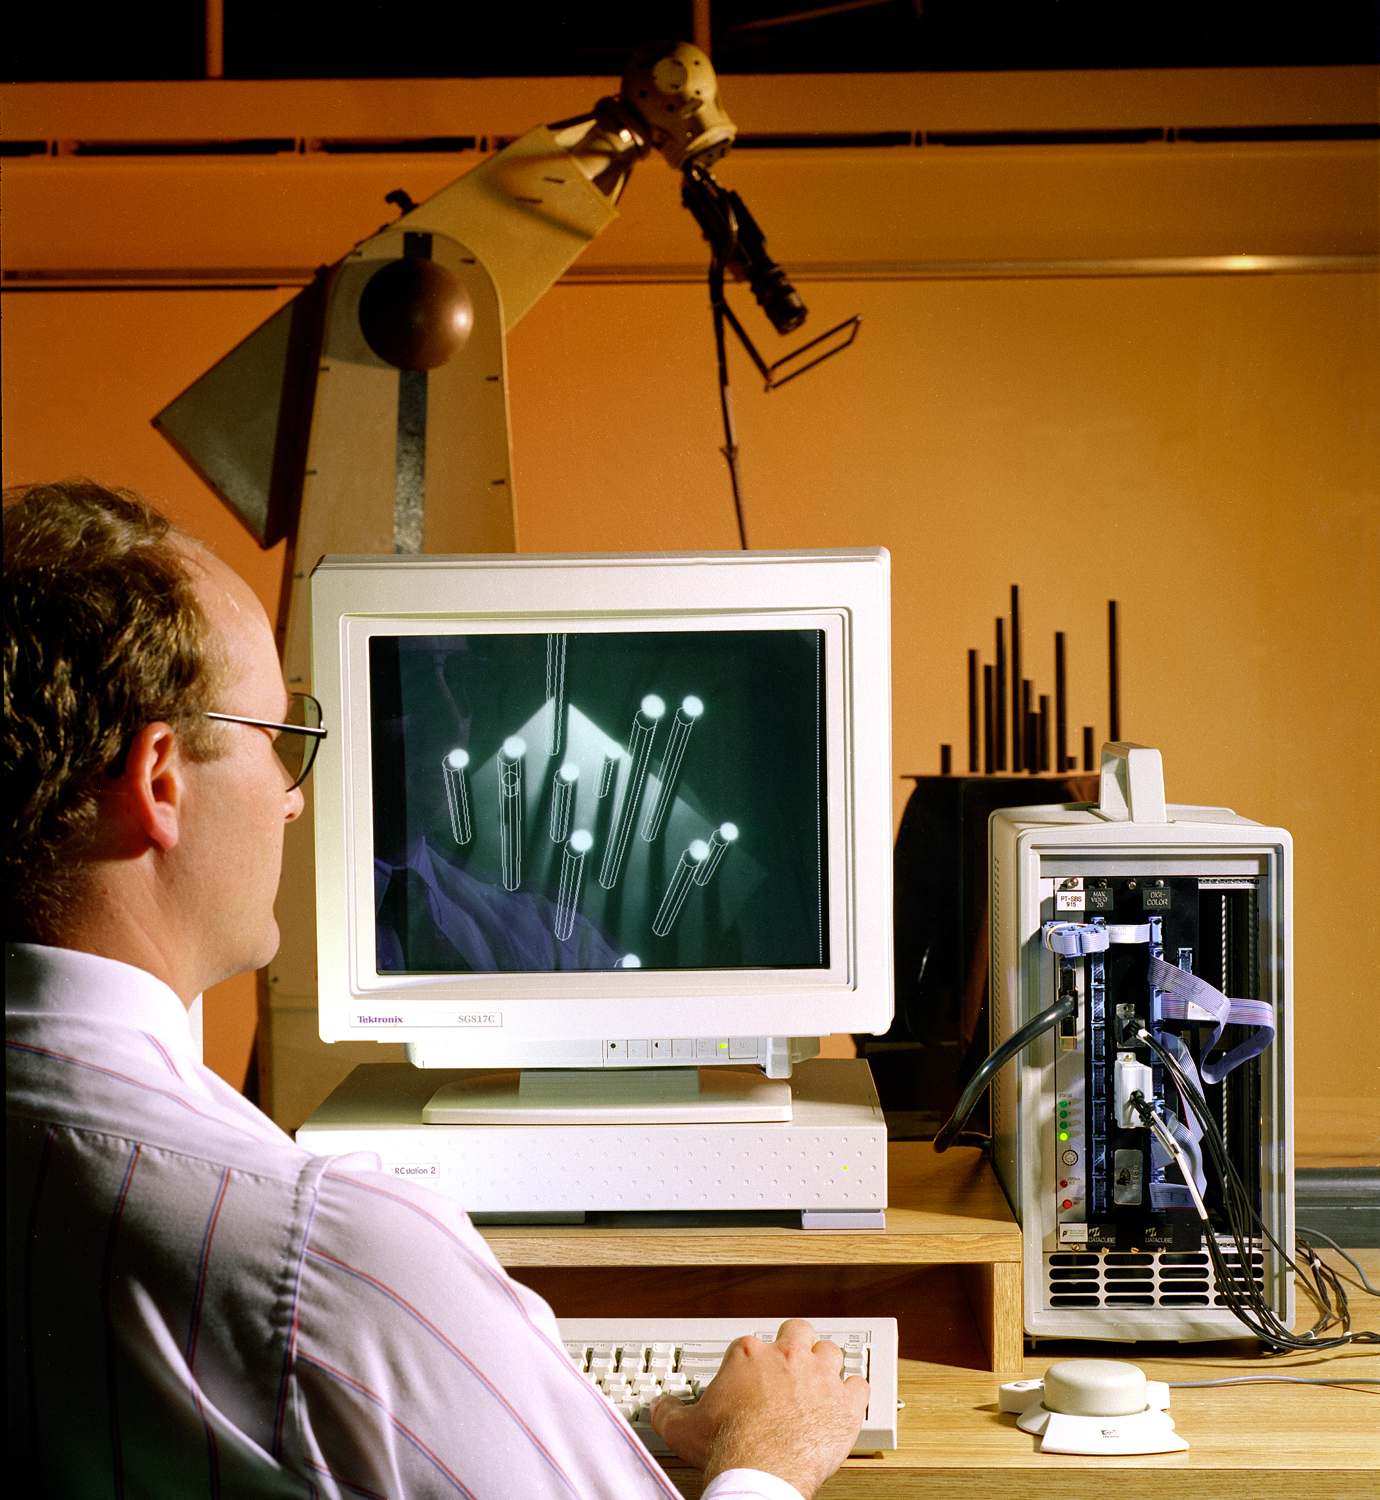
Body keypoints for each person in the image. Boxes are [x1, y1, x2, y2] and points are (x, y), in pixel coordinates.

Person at [5, 479, 869, 1499]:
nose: (292, 802)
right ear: (160, 783)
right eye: (279, 742)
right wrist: (767, 1456)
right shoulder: (326, 1254)